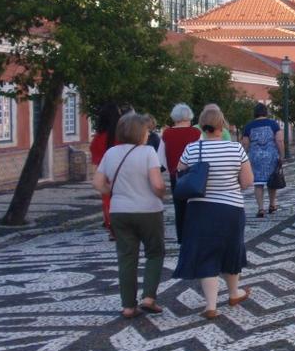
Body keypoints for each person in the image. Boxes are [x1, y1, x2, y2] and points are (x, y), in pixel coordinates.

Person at [173, 104, 254, 319]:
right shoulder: (236, 149)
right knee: (231, 250)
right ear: (222, 125)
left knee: (205, 253)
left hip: (200, 209)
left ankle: (210, 306)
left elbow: (179, 173)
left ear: (201, 125)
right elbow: (247, 182)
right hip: (231, 209)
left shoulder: (192, 149)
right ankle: (234, 292)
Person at [92, 112, 166, 318]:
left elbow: (97, 183)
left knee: (126, 257)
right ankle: (149, 297)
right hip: (148, 210)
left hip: (119, 211)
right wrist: (161, 194)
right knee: (154, 253)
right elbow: (157, 184)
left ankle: (128, 306)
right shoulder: (148, 152)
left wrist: (115, 193)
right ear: (140, 133)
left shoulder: (111, 153)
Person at [157, 103, 202, 242]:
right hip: (194, 174)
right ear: (189, 117)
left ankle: (181, 236)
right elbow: (202, 154)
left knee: (179, 206)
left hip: (175, 175)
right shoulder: (196, 133)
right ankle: (195, 235)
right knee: (196, 205)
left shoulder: (167, 134)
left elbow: (161, 159)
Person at [241, 103, 283, 218]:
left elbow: (245, 143)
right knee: (272, 181)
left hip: (256, 156)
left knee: (258, 183)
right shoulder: (273, 124)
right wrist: (281, 154)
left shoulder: (249, 126)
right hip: (271, 156)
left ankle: (260, 209)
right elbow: (279, 140)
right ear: (266, 112)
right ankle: (272, 205)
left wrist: (243, 156)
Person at [89, 103, 121, 240]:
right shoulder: (122, 136)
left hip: (106, 174)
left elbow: (95, 157)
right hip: (123, 172)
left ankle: (112, 229)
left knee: (108, 202)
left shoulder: (98, 138)